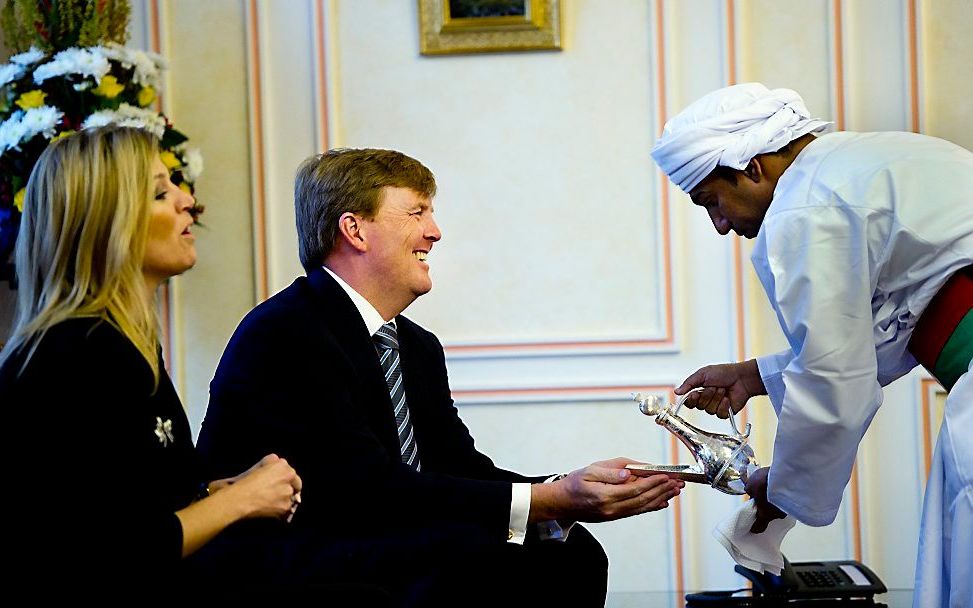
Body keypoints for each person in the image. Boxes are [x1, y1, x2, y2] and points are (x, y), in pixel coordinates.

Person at [197, 147, 685, 606]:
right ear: (355, 230)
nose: (435, 232)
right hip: (293, 550)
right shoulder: (288, 331)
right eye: (417, 213)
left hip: (379, 534)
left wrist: (565, 494)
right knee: (477, 561)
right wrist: (548, 499)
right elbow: (364, 487)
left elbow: (456, 466)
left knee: (572, 552)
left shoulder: (414, 345)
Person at [650, 82, 972, 608]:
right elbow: (903, 320)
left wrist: (779, 498)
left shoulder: (801, 211)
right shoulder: (882, 155)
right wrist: (756, 375)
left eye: (713, 202)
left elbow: (835, 378)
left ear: (752, 167)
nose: (721, 225)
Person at [0, 126, 341, 594]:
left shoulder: (121, 342)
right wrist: (240, 499)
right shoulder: (73, 356)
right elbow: (107, 552)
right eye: (161, 192)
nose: (187, 202)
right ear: (105, 222)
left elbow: (136, 502)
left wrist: (219, 491)